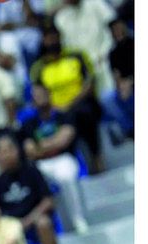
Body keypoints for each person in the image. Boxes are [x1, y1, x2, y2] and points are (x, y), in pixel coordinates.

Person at [30, 25, 104, 173]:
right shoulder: (38, 67)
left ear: (59, 37)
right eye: (47, 38)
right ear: (43, 41)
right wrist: (54, 107)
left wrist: (71, 104)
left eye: (54, 37)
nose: (51, 41)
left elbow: (89, 82)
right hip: (54, 109)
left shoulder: (76, 55)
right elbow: (37, 92)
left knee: (83, 114)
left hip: (81, 104)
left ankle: (96, 160)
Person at [21, 84, 90, 234]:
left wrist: (42, 146)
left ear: (49, 94)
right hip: (41, 164)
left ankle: (78, 219)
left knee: (66, 176)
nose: (39, 98)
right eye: (35, 96)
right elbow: (30, 151)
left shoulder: (63, 115)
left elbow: (65, 140)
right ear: (32, 102)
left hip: (64, 158)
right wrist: (53, 142)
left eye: (41, 94)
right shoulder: (28, 124)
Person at [54, 0, 117, 94]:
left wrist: (106, 53)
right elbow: (67, 50)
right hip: (83, 68)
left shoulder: (97, 3)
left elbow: (114, 28)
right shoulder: (60, 19)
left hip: (107, 56)